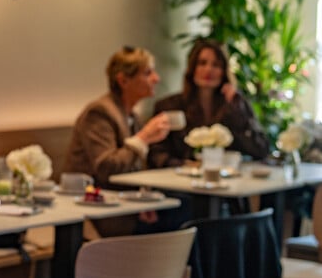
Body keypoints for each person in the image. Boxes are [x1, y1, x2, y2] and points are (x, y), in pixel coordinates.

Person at [149, 39, 270, 169]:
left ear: (224, 71)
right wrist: (184, 165)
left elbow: (261, 149)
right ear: (192, 68)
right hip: (180, 177)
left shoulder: (236, 104)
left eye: (216, 65)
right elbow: (156, 153)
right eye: (202, 63)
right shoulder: (169, 106)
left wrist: (236, 109)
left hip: (226, 175)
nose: (208, 70)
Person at [63, 46, 172, 187]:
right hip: (93, 194)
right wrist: (143, 138)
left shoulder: (132, 116)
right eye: (147, 73)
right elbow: (106, 168)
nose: (156, 78)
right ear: (123, 81)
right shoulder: (99, 112)